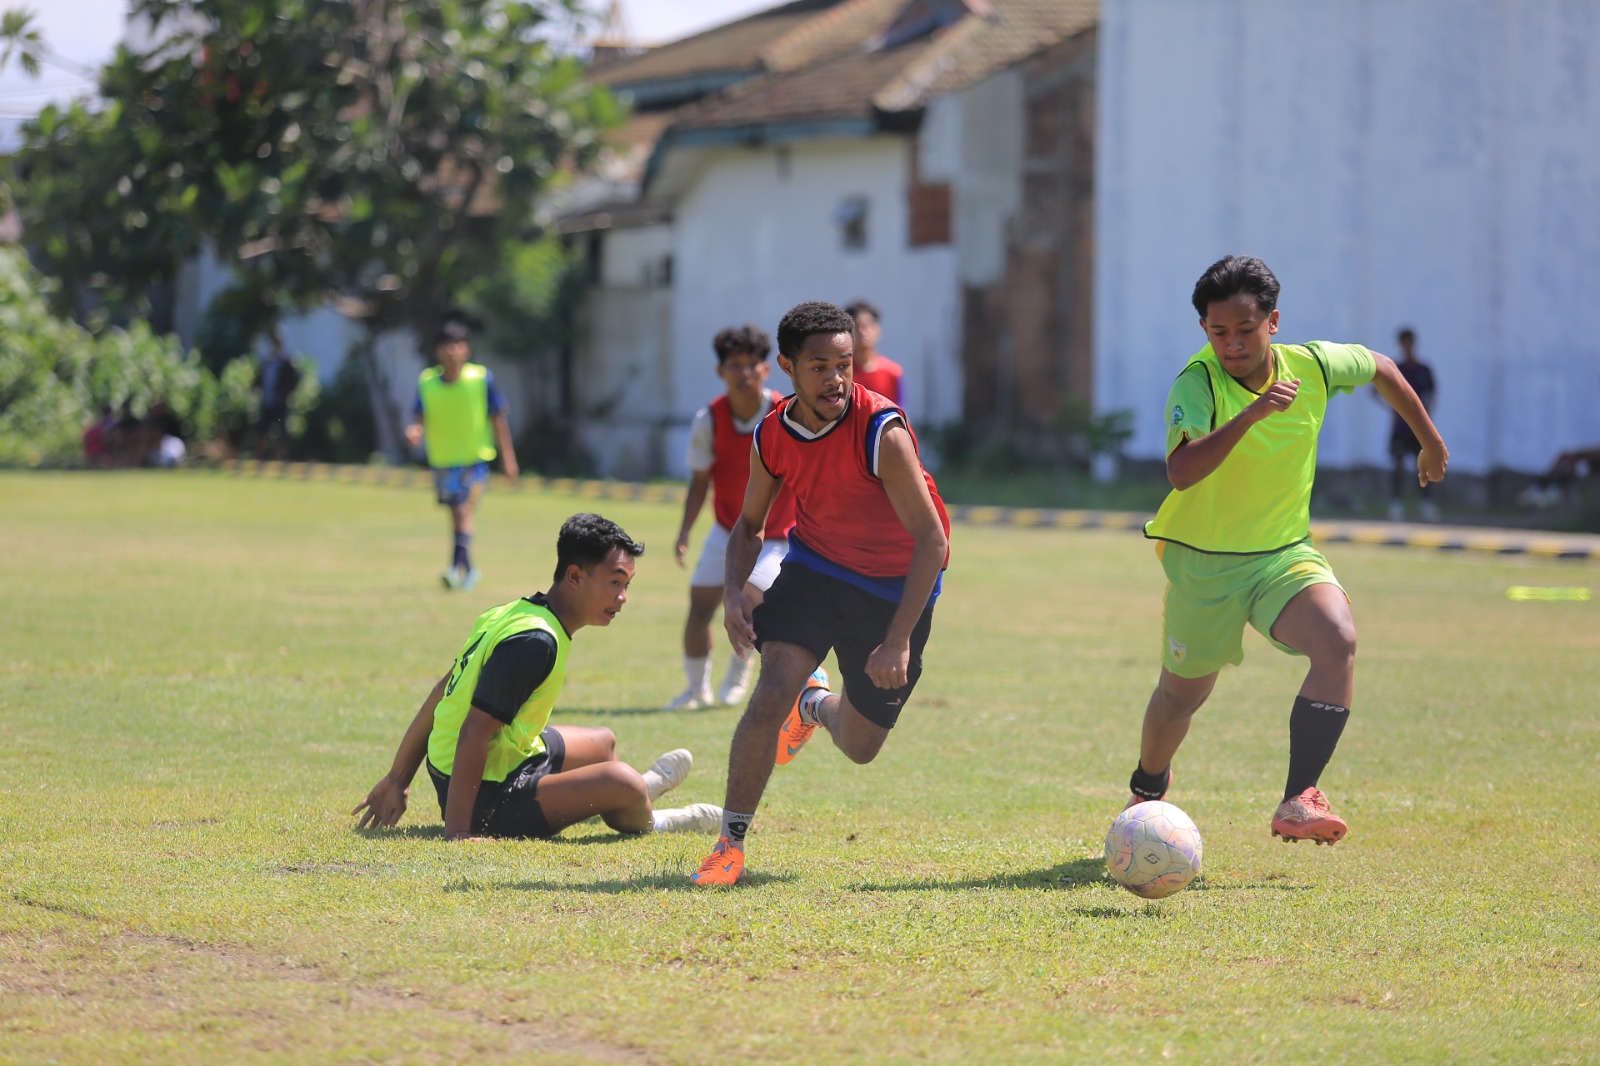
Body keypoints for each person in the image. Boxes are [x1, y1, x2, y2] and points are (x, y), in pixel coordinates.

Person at [1128, 255, 1447, 846]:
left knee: (1337, 638)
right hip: (1205, 563)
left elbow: (1381, 367)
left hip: (1282, 554)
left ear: (1273, 321)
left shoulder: (1315, 365)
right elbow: (1181, 471)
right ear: (1204, 330)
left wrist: (1429, 441)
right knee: (1179, 697)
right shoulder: (1196, 383)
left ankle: (1299, 796)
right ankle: (1147, 789)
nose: (1232, 344)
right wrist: (1253, 412)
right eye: (1219, 333)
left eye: (1245, 330)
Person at [690, 301, 951, 886]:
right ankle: (729, 845)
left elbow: (931, 543)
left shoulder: (883, 433)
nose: (836, 379)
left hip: (893, 587)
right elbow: (750, 524)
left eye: (844, 364)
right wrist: (734, 591)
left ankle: (816, 706)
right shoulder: (772, 433)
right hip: (816, 569)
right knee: (768, 694)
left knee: (860, 746)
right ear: (786, 367)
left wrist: (896, 640)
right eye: (819, 367)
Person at [352, 513, 723, 841]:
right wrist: (459, 830)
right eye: (615, 583)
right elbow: (474, 731)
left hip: (499, 758)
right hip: (484, 794)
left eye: (627, 585)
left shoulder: (516, 612)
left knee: (603, 745)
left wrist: (399, 778)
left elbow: (441, 692)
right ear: (575, 576)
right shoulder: (535, 642)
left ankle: (641, 792)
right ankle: (655, 820)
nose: (623, 597)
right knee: (620, 781)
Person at [666, 324, 797, 711]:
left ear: (766, 369)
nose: (744, 373)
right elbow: (699, 481)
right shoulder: (709, 420)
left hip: (777, 535)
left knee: (749, 601)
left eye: (751, 364)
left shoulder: (786, 415)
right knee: (699, 608)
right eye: (734, 365)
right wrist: (685, 531)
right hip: (728, 530)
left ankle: (738, 675)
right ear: (720, 371)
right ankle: (695, 690)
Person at [405, 314, 520, 591]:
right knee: (457, 516)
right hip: (444, 461)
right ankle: (468, 569)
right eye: (447, 344)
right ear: (437, 350)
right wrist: (415, 431)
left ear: (467, 349)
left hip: (475, 459)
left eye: (458, 344)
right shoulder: (427, 382)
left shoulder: (481, 379)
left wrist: (508, 458)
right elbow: (419, 416)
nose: (453, 350)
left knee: (463, 509)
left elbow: (498, 419)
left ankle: (453, 568)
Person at [1383, 327, 1438, 521]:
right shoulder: (1396, 369)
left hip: (1418, 429)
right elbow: (1377, 390)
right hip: (1400, 427)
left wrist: (1425, 418)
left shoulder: (1424, 370)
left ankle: (1427, 504)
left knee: (1423, 467)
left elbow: (1432, 395)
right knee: (1398, 467)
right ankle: (1396, 504)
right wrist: (1392, 408)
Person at [253, 329, 302, 461]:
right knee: (261, 431)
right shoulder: (267, 363)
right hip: (266, 402)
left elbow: (294, 381)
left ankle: (280, 458)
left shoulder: (286, 364)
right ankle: (259, 458)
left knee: (282, 432)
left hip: (280, 403)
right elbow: (258, 380)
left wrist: (286, 394)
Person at [844, 299, 903, 404]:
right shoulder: (842, 372)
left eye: (866, 326)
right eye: (856, 327)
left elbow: (900, 410)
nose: (862, 331)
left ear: (878, 330)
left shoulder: (892, 372)